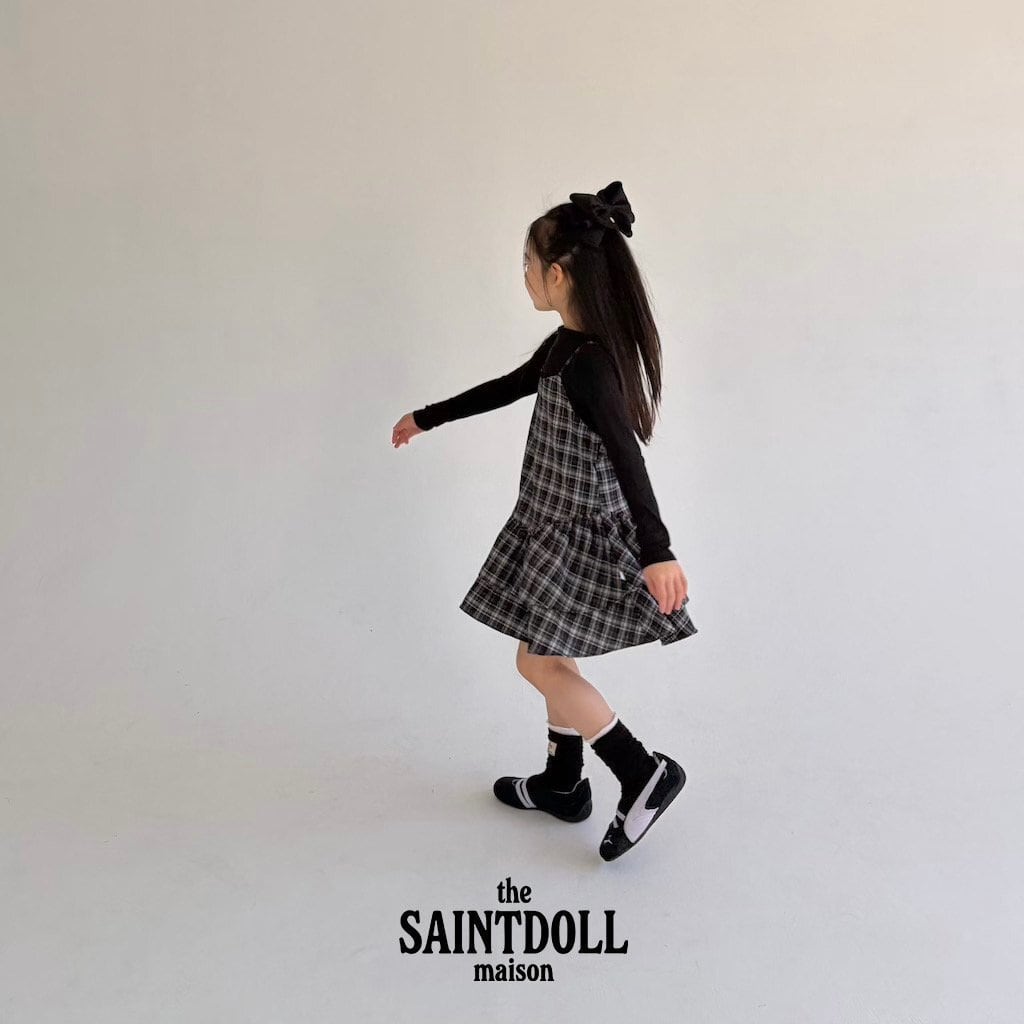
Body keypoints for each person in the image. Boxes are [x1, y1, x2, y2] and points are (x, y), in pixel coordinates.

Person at [391, 181, 699, 861]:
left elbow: (627, 456)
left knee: (536, 661)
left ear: (558, 275)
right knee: (550, 653)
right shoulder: (565, 346)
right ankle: (563, 784)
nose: (524, 275)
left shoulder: (590, 366)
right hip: (550, 520)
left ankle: (640, 772)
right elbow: (509, 386)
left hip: (576, 532)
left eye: (528, 263)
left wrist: (658, 549)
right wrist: (428, 417)